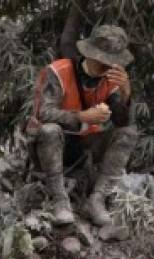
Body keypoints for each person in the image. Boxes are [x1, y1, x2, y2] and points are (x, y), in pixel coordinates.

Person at [27, 25, 136, 228]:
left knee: (128, 134)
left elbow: (123, 122)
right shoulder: (59, 72)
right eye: (103, 58)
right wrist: (82, 116)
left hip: (84, 145)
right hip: (49, 145)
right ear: (91, 54)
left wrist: (126, 94)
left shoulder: (111, 80)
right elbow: (43, 113)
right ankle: (59, 200)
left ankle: (97, 200)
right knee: (50, 130)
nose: (107, 64)